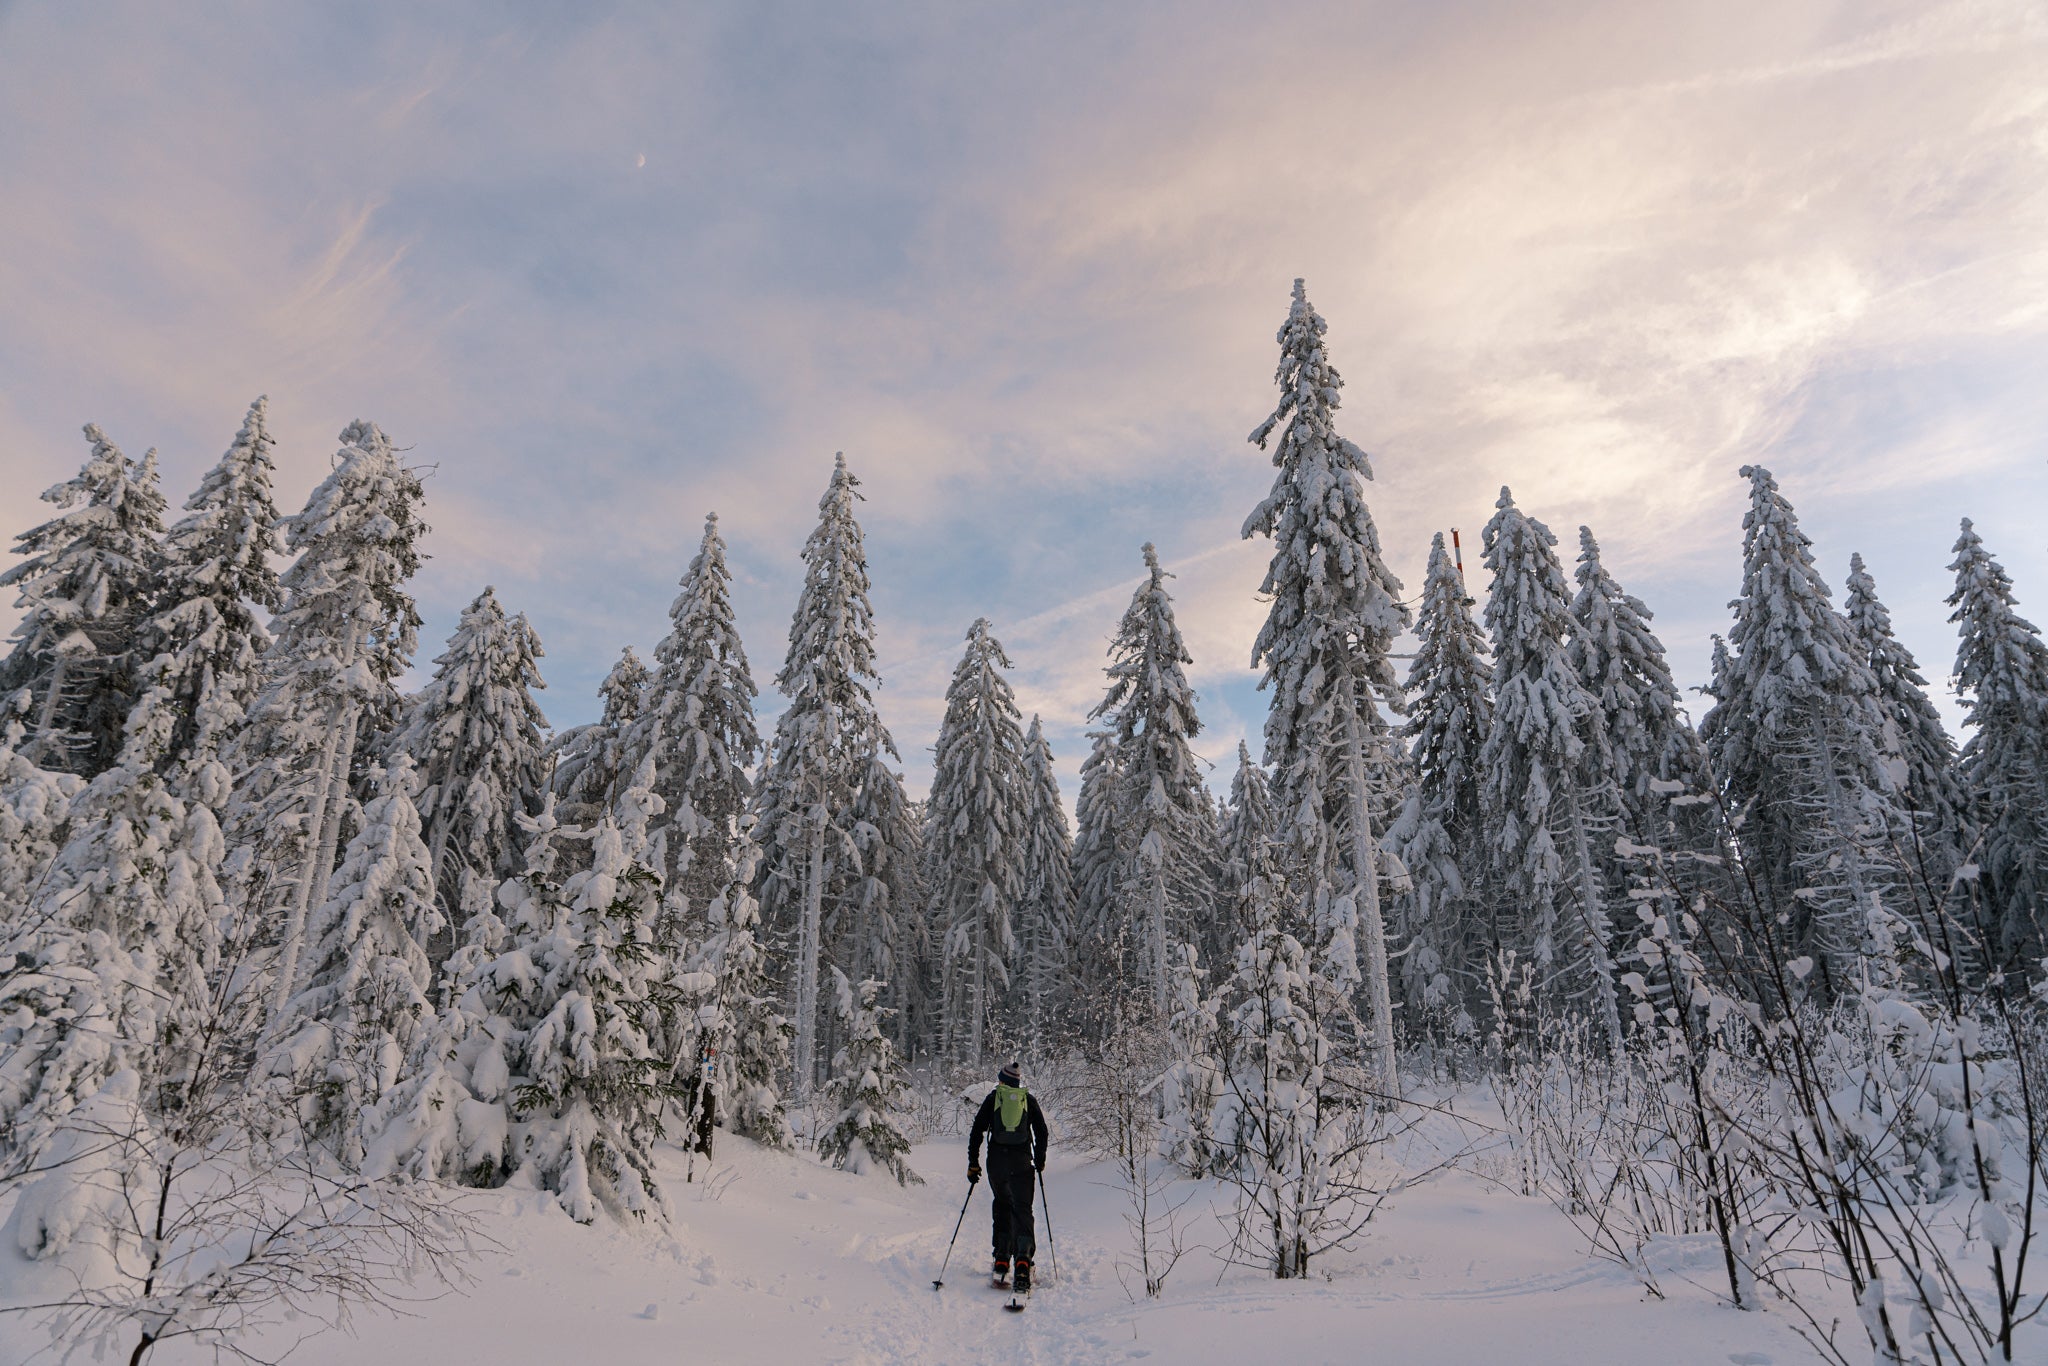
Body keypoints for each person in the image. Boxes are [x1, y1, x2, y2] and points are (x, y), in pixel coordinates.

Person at [967, 1060, 1049, 1292]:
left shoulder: (994, 1099)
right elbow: (1042, 1131)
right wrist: (1040, 1159)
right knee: (1022, 1210)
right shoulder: (1028, 1100)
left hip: (997, 1164)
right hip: (1022, 1163)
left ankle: (1002, 1258)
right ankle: (1023, 1261)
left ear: (1002, 1081)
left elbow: (977, 1131)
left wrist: (973, 1163)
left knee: (1002, 1205)